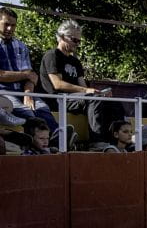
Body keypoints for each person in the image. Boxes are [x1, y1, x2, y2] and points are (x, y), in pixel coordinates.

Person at [38, 19, 120, 147]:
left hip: (75, 98)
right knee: (94, 100)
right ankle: (97, 142)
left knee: (113, 104)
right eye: (74, 40)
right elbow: (58, 84)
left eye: (79, 41)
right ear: (61, 37)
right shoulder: (52, 55)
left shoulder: (75, 61)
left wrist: (99, 93)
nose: (77, 44)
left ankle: (117, 142)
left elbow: (83, 87)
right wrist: (87, 91)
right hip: (58, 99)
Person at [0, 7, 50, 129]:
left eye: (13, 25)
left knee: (43, 108)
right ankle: (39, 142)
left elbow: (31, 76)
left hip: (22, 90)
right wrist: (25, 74)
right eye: (6, 24)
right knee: (27, 112)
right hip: (3, 93)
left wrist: (28, 94)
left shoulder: (21, 46)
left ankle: (59, 139)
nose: (10, 29)